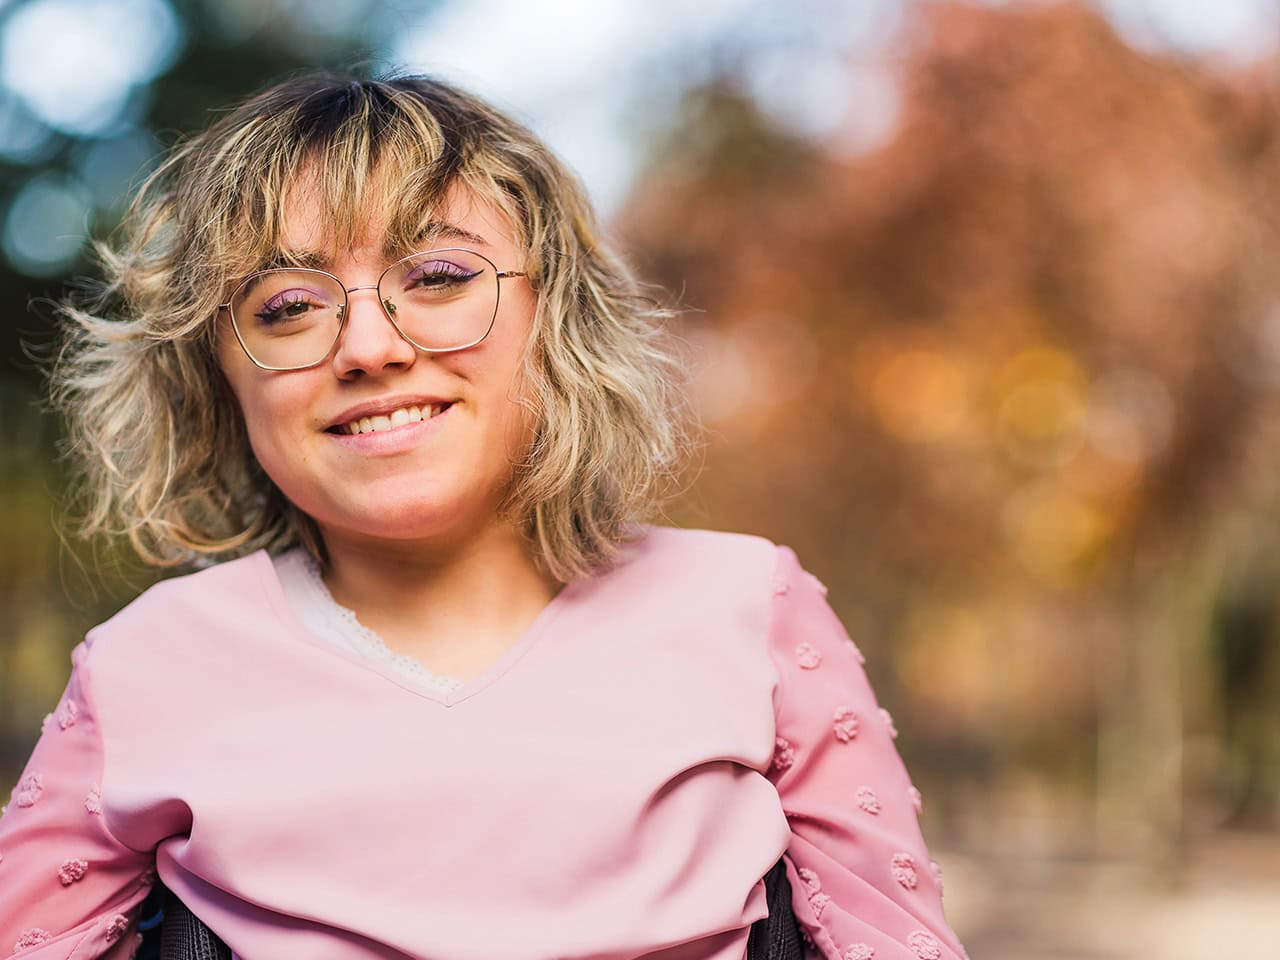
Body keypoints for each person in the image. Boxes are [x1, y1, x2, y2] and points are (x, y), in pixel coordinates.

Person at [0, 74, 967, 960]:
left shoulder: (751, 609)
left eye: (439, 279)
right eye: (289, 304)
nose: (370, 346)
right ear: (218, 375)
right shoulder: (147, 666)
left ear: (555, 320)